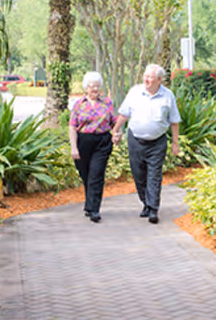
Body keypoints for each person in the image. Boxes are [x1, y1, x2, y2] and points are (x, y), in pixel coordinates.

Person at [111, 64, 180, 224]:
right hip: (135, 140)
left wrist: (175, 142)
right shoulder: (135, 92)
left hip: (157, 143)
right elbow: (123, 114)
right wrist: (115, 131)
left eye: (150, 77)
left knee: (154, 176)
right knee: (139, 175)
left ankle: (153, 208)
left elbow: (174, 121)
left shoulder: (168, 96)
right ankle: (146, 203)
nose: (146, 80)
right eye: (145, 76)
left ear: (159, 80)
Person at [69, 71, 117, 223]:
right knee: (86, 175)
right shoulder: (78, 104)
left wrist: (117, 134)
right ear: (86, 88)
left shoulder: (107, 103)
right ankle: (89, 206)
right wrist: (74, 147)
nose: (95, 89)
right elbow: (72, 127)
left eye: (97, 86)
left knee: (96, 174)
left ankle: (94, 209)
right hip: (83, 141)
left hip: (102, 141)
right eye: (92, 86)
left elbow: (114, 122)